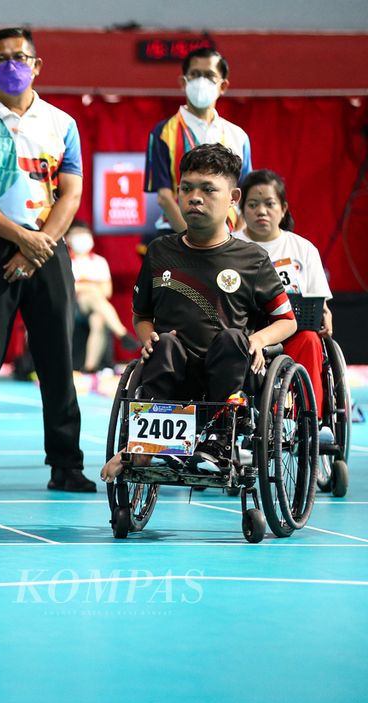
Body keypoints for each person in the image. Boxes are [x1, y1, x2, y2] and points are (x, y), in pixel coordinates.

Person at [0, 27, 94, 493]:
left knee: (56, 358)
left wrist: (40, 245)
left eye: (21, 56)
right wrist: (19, 240)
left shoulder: (62, 124)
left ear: (37, 65)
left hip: (48, 248)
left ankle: (66, 464)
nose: (13, 65)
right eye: (3, 58)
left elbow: (70, 194)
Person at [101, 144, 296, 482]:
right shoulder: (160, 251)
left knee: (234, 338)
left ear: (233, 197)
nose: (195, 198)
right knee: (164, 345)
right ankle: (146, 443)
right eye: (187, 188)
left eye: (208, 190)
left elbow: (286, 321)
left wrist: (258, 341)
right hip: (173, 370)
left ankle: (220, 442)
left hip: (228, 371)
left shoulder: (251, 259)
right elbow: (141, 315)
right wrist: (147, 338)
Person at [233, 168, 334, 440]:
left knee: (311, 340)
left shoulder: (303, 249)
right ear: (241, 209)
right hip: (246, 333)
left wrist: (325, 311)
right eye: (253, 205)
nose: (261, 211)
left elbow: (318, 300)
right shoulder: (232, 245)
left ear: (283, 208)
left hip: (291, 332)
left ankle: (311, 422)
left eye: (269, 204)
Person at [143, 47, 252, 250]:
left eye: (210, 75)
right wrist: (192, 240)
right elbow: (164, 196)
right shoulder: (162, 132)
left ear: (223, 86)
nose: (201, 82)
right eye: (195, 75)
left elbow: (246, 194)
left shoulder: (238, 136)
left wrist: (238, 240)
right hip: (175, 234)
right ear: (183, 82)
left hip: (228, 237)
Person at [66, 220, 139, 371]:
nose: (81, 238)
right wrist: (91, 287)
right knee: (92, 293)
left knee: (98, 319)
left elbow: (107, 291)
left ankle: (89, 367)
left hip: (95, 307)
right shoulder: (66, 261)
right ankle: (122, 333)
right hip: (72, 308)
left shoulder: (99, 262)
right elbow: (68, 289)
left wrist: (82, 286)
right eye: (76, 234)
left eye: (84, 234)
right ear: (67, 239)